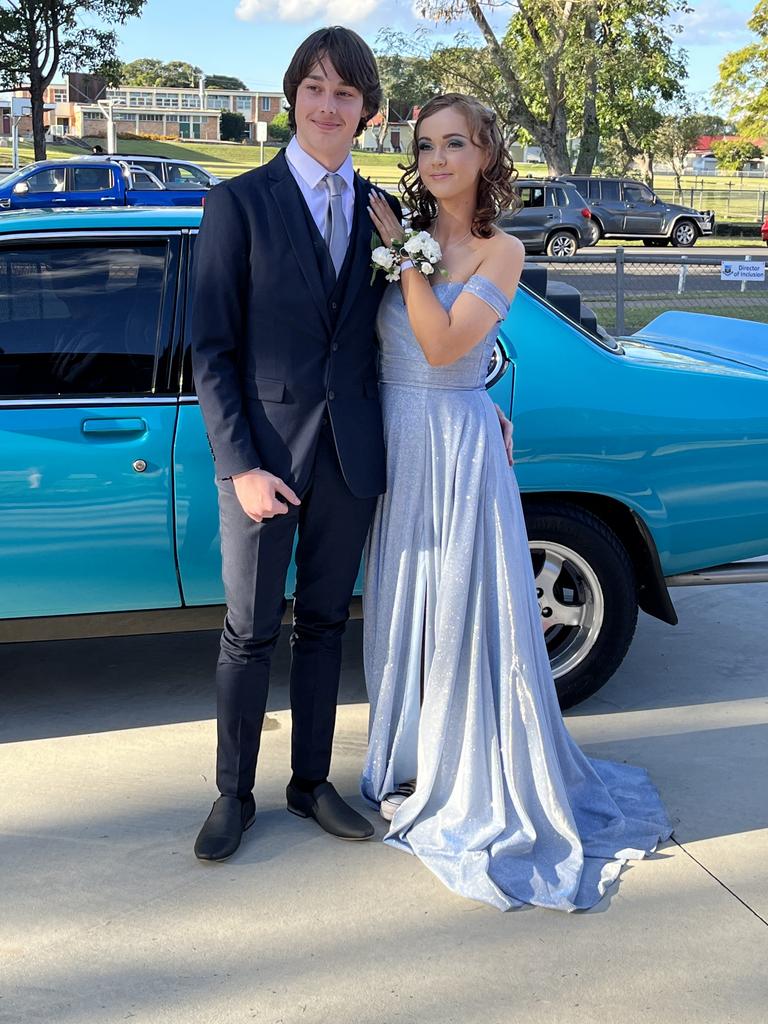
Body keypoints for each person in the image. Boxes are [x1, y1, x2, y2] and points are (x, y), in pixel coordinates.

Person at [190, 27, 512, 863]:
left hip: (355, 458)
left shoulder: (389, 215)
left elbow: (425, 323)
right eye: (315, 89)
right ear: (293, 97)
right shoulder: (238, 203)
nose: (329, 106)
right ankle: (233, 793)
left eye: (346, 94)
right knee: (250, 628)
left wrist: (482, 400)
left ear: (366, 113)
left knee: (327, 625)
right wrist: (240, 468)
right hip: (264, 462)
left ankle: (310, 784)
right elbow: (212, 350)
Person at [362, 93, 673, 912]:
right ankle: (410, 757)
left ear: (486, 154)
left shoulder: (496, 252)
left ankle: (467, 772)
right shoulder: (413, 237)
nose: (436, 159)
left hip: (456, 457)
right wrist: (481, 391)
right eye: (425, 144)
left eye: (454, 143)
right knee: (409, 603)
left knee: (462, 609)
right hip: (406, 440)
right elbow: (404, 351)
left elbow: (439, 342)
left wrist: (402, 254)